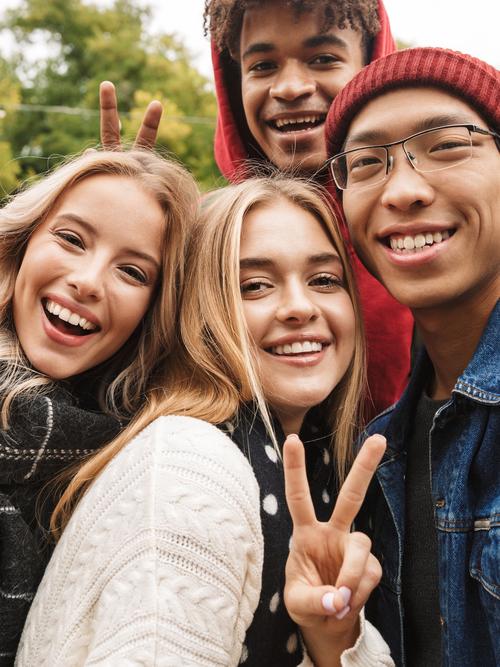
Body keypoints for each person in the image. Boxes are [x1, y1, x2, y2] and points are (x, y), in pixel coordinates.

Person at [15, 176, 393, 666]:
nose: (301, 307)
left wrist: (331, 634)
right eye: (255, 285)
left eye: (324, 279)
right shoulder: (190, 468)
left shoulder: (313, 465)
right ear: (198, 310)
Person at [287, 46, 500, 666]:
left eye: (448, 144)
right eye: (365, 162)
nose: (403, 189)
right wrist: (336, 637)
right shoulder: (377, 448)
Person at [0, 148, 199, 665]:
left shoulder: (138, 460)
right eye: (71, 239)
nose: (87, 282)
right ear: (22, 242)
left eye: (132, 271)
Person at [199, 0, 414, 419]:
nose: (291, 87)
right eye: (262, 66)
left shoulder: (425, 229)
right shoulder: (200, 234)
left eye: (323, 59)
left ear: (371, 66)